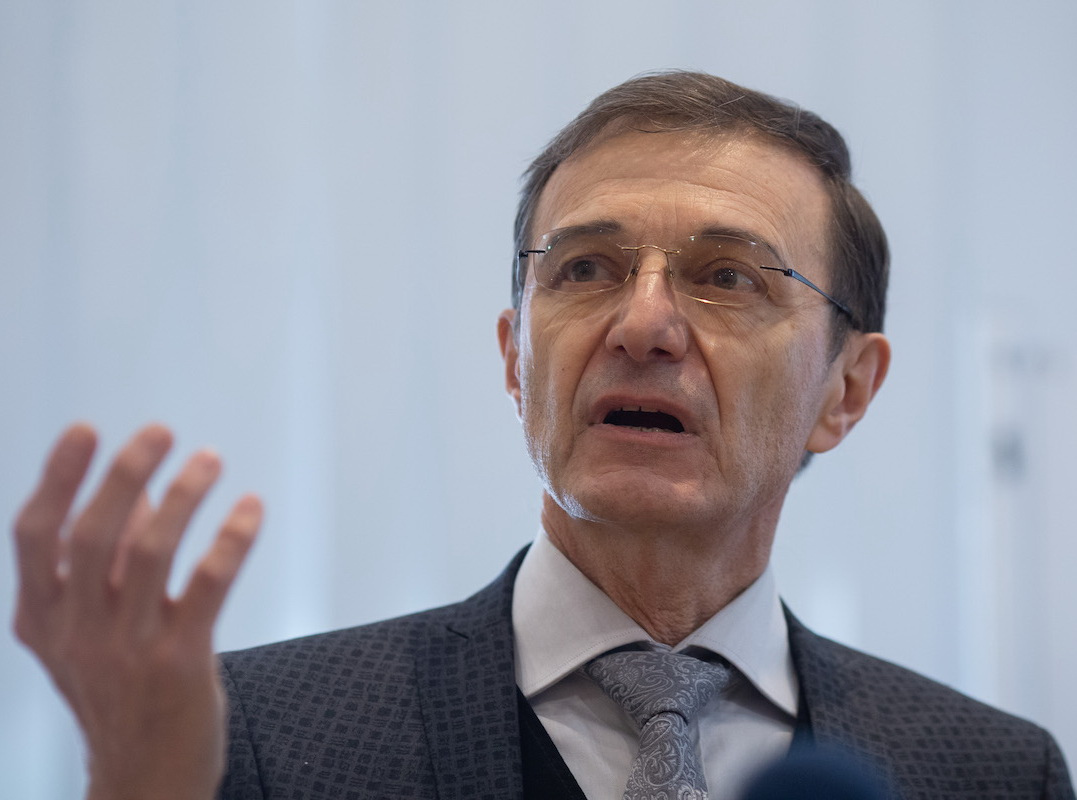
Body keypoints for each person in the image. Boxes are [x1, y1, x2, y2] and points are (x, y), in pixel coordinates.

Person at [12, 71, 1074, 800]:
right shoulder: (247, 733)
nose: (643, 324)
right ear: (517, 358)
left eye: (727, 276)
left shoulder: (988, 773)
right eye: (584, 269)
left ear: (846, 389)